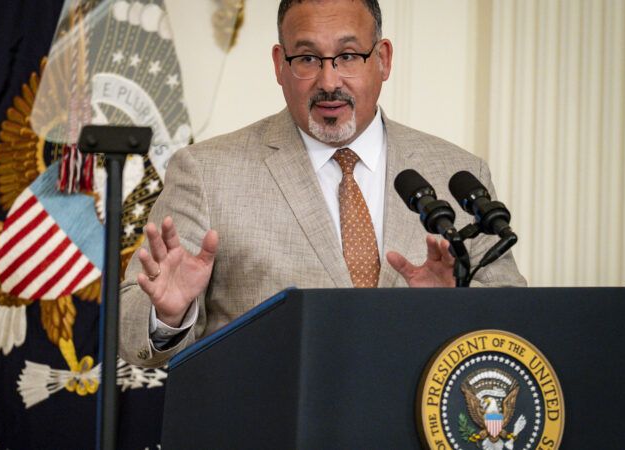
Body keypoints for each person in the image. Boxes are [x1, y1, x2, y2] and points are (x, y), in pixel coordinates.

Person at [119, 0, 526, 368]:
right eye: (308, 58)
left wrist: (454, 310)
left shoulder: (456, 171)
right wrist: (169, 315)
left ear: (382, 59)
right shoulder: (206, 171)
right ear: (280, 64)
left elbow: (516, 323)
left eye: (348, 56)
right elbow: (130, 326)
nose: (329, 80)